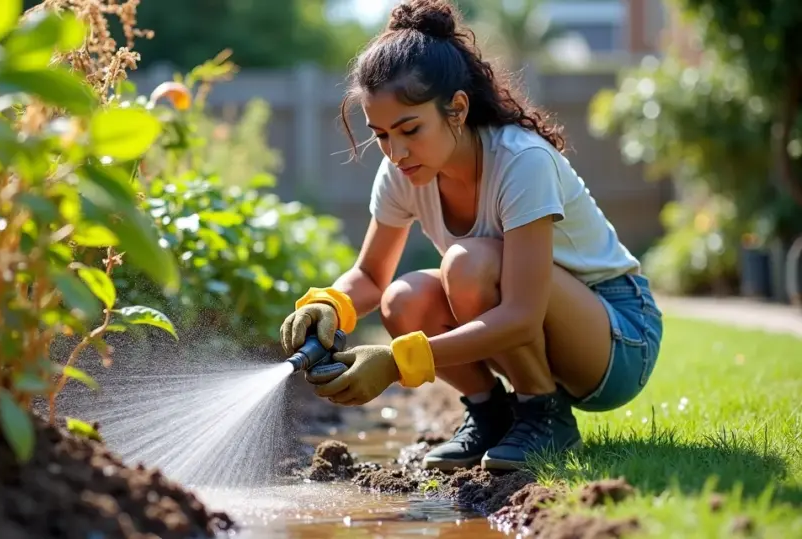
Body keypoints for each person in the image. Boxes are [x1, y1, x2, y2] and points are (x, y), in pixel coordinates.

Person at [279, 0, 663, 472]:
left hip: (619, 338)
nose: (395, 152)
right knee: (404, 298)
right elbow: (371, 277)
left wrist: (397, 363)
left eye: (409, 129)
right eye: (380, 135)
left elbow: (521, 316)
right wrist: (330, 305)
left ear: (457, 109)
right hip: (544, 326)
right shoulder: (402, 172)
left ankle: (546, 418)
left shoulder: (521, 161)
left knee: (467, 263)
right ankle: (492, 416)